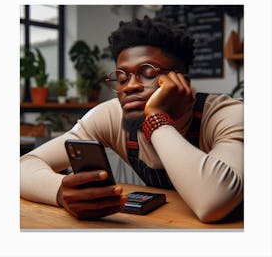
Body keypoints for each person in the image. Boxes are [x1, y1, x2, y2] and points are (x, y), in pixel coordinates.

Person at [20, 16, 243, 223]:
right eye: (121, 76)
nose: (130, 86)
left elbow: (212, 201)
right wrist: (60, 192)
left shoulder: (228, 115)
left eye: (147, 73)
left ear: (181, 80)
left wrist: (156, 118)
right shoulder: (112, 114)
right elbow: (23, 166)